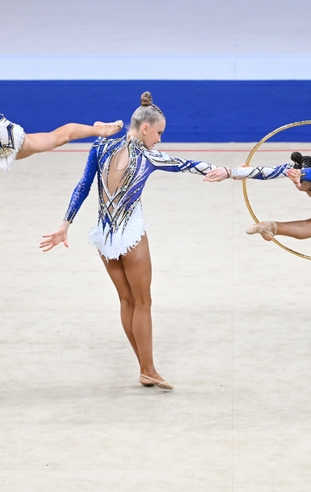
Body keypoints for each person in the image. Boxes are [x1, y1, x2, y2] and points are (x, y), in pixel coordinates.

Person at [39, 92, 232, 390]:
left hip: (104, 238)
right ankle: (148, 369)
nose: (160, 140)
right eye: (159, 133)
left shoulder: (101, 145)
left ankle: (145, 368)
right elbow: (186, 164)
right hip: (130, 235)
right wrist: (222, 171)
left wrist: (65, 225)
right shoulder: (148, 155)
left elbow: (83, 185)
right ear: (145, 128)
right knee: (143, 301)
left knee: (126, 300)